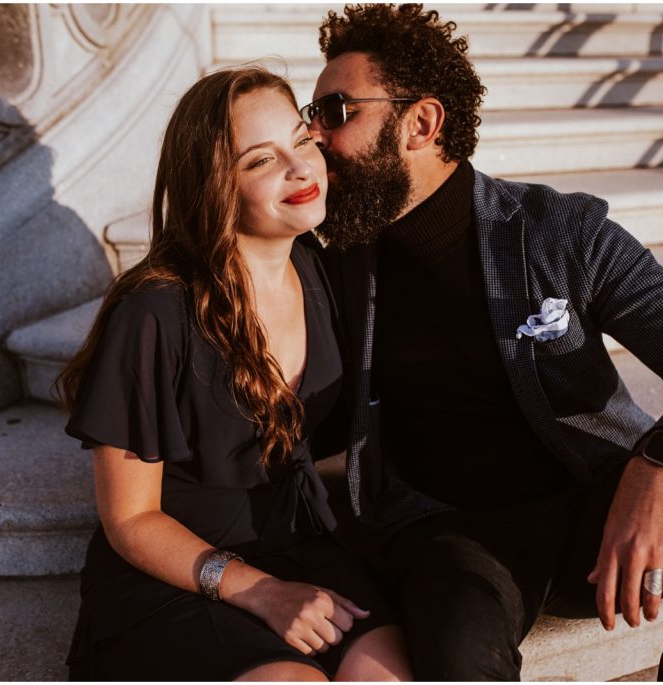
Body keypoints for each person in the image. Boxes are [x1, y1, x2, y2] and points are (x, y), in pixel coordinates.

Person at [298, 4, 663, 681]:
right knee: (455, 655)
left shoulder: (556, 230)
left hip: (589, 503)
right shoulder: (330, 259)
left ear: (421, 123)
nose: (314, 135)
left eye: (335, 111)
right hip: (453, 532)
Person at [55, 66, 411, 682]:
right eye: (259, 161)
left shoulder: (317, 268)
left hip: (300, 544)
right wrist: (260, 592)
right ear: (215, 186)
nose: (300, 169)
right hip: (181, 570)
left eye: (301, 141)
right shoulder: (155, 312)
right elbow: (130, 519)